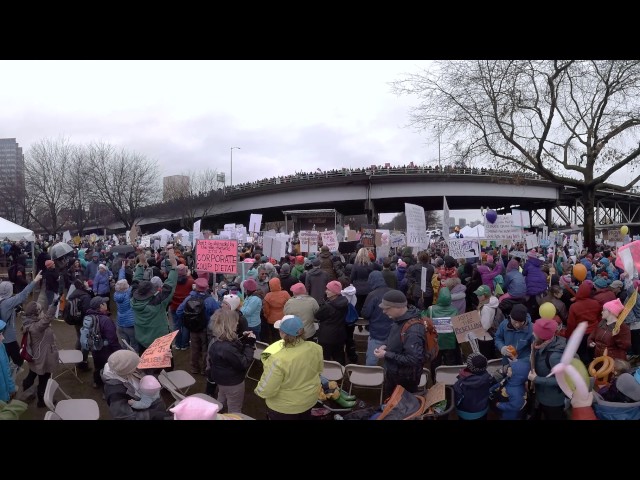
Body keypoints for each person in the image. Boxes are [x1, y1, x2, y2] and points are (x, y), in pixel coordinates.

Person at [254, 316, 323, 420]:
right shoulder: (316, 348)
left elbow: (267, 390)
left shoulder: (278, 359)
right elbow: (319, 371)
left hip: (284, 408)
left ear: (283, 333)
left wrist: (259, 391)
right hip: (309, 400)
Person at [373, 289, 426, 398]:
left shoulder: (413, 330)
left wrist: (386, 354)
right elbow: (400, 341)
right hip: (395, 373)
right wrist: (386, 346)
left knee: (400, 409)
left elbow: (414, 359)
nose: (384, 312)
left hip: (404, 380)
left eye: (387, 308)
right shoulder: (400, 319)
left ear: (399, 307)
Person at [207, 309, 255, 413]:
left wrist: (242, 337)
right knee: (234, 409)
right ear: (229, 324)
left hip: (220, 379)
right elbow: (243, 363)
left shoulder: (216, 339)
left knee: (221, 397)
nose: (237, 323)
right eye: (235, 321)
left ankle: (214, 414)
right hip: (233, 382)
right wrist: (250, 345)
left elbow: (230, 345)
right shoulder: (226, 348)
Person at [102, 350, 172, 420]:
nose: (139, 365)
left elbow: (143, 370)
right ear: (128, 371)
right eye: (136, 366)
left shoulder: (121, 368)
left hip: (152, 403)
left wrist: (161, 361)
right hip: (147, 412)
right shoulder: (115, 394)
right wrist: (153, 415)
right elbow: (124, 417)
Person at [175, 277, 220, 375]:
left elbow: (179, 312)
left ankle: (194, 368)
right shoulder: (210, 300)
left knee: (194, 349)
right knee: (205, 349)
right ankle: (204, 369)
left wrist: (187, 322)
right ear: (206, 287)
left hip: (193, 328)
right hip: (205, 329)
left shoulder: (189, 298)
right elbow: (218, 313)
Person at [20, 302, 60, 408]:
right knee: (44, 380)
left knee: (31, 375)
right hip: (43, 358)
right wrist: (54, 304)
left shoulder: (28, 322)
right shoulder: (37, 326)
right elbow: (48, 318)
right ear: (36, 313)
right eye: (41, 310)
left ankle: (26, 393)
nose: (43, 311)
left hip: (35, 356)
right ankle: (42, 401)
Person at [527, 317, 568, 420]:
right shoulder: (538, 345)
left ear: (542, 336)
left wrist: (536, 379)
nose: (533, 334)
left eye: (535, 333)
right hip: (541, 394)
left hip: (552, 401)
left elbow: (562, 380)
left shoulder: (554, 356)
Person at [0, 271, 43, 367]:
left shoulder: (2, 300)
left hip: (2, 336)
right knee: (17, 361)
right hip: (8, 338)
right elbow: (23, 294)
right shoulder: (8, 302)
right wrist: (35, 280)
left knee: (5, 358)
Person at [85, 296, 122, 388]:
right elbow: (112, 338)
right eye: (104, 303)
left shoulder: (89, 316)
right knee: (107, 368)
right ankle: (106, 388)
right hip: (106, 349)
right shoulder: (106, 320)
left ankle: (96, 382)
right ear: (100, 306)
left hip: (94, 347)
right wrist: (118, 350)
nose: (106, 304)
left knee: (97, 365)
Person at [361, 271, 392, 366]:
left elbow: (366, 313)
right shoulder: (394, 292)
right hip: (393, 332)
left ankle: (370, 378)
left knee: (371, 360)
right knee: (391, 358)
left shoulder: (372, 295)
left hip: (377, 333)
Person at [314, 280, 348, 364]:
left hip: (326, 336)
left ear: (335, 292)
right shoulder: (344, 302)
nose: (326, 291)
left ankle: (325, 375)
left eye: (328, 290)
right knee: (339, 356)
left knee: (325, 359)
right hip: (339, 334)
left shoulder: (328, 307)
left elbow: (317, 315)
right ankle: (341, 373)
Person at [453, 353, 495, 420]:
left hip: (465, 413)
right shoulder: (488, 378)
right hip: (483, 410)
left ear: (468, 366)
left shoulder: (460, 384)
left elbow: (457, 400)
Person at [169, 264, 194, 351]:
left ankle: (177, 344)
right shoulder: (190, 281)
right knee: (186, 326)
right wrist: (189, 274)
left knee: (176, 326)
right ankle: (184, 344)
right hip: (186, 307)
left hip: (174, 307)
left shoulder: (172, 282)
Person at [0, 320, 17, 405]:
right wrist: (11, 389)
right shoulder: (0, 347)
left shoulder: (1, 345)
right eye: (0, 334)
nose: (3, 337)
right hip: (2, 393)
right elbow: (6, 370)